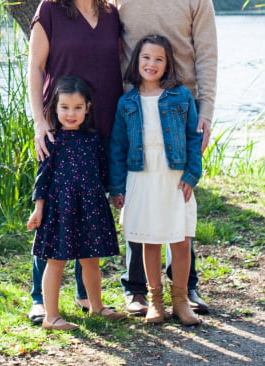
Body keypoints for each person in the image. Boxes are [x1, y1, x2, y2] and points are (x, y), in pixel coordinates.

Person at [108, 0, 217, 316]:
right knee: (140, 202)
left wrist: (206, 110)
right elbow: (116, 53)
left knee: (178, 203)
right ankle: (137, 290)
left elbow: (206, 54)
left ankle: (187, 289)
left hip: (180, 113)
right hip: (137, 112)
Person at [26, 0, 125, 324]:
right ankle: (40, 299)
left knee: (90, 209)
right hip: (60, 127)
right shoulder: (50, 10)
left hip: (102, 125)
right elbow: (35, 67)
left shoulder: (112, 13)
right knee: (54, 210)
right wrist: (39, 121)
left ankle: (89, 299)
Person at [108, 35, 203, 325]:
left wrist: (192, 173)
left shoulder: (181, 97)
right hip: (142, 176)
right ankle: (155, 301)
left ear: (168, 64)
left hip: (174, 176)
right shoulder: (126, 102)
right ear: (136, 62)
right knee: (149, 240)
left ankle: (181, 300)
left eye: (159, 59)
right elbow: (118, 147)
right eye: (146, 58)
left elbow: (193, 137)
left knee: (181, 240)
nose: (152, 64)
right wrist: (117, 188)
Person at [27, 76, 126, 331]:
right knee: (56, 260)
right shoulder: (51, 140)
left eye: (77, 108)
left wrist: (114, 196)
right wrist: (38, 209)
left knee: (91, 259)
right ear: (55, 108)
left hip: (91, 206)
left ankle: (96, 305)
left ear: (87, 108)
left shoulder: (92, 139)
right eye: (65, 108)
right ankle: (51, 316)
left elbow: (102, 173)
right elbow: (42, 178)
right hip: (60, 209)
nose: (71, 114)